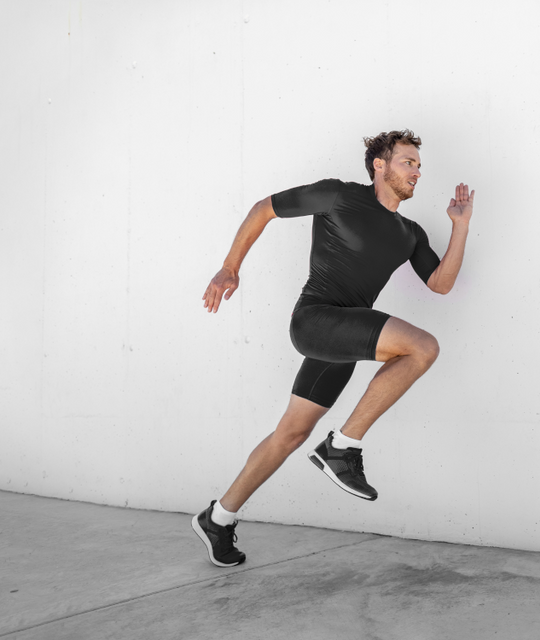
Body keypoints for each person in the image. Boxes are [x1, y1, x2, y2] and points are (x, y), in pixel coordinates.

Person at [191, 130, 473, 567]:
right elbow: (263, 209)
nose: (416, 171)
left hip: (343, 338)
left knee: (290, 434)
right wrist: (230, 267)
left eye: (418, 164)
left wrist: (460, 228)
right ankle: (342, 447)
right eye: (407, 162)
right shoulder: (338, 196)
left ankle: (218, 518)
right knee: (423, 347)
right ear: (379, 165)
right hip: (316, 320)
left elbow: (440, 284)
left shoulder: (410, 233)